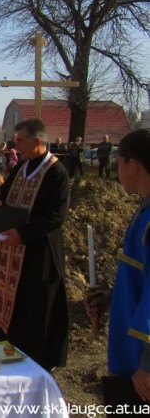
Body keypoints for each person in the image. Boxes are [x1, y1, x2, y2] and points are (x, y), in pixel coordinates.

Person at [0, 118, 70, 371]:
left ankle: (38, 363)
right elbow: (5, 198)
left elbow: (56, 215)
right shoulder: (21, 168)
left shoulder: (57, 172)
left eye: (20, 141)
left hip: (40, 252)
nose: (16, 146)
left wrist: (24, 234)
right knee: (17, 306)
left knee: (37, 307)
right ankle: (12, 353)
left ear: (37, 141)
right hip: (14, 252)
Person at [84, 128, 150, 405]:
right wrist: (112, 298)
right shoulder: (143, 212)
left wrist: (147, 365)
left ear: (132, 164)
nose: (115, 168)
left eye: (118, 161)